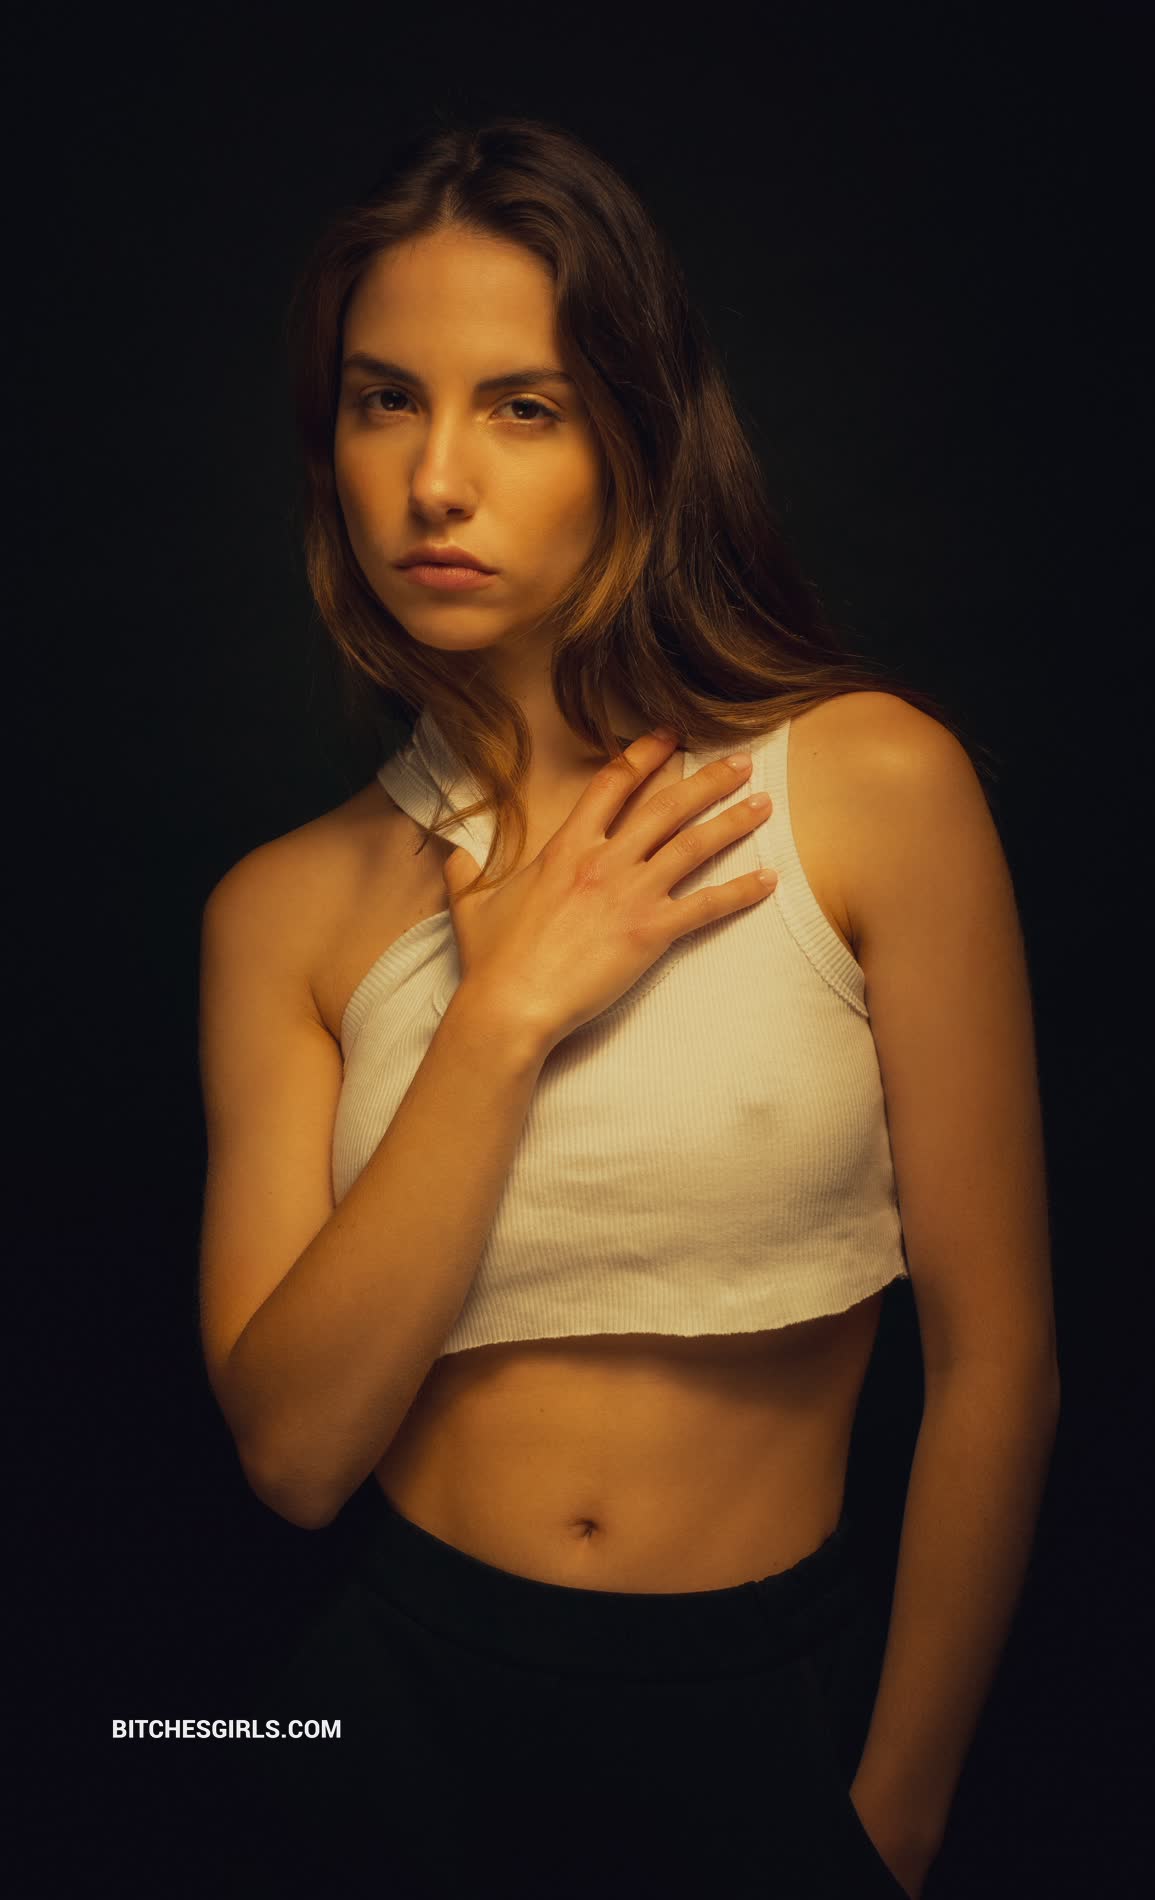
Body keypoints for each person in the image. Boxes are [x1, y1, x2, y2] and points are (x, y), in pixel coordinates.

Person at [194, 116, 1060, 1900]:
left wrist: (892, 1822)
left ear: (636, 437)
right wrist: (502, 1014)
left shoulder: (870, 789)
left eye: (524, 405)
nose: (436, 480)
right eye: (383, 401)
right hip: (378, 1735)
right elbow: (292, 1455)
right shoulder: (282, 911)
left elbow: (1001, 1368)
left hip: (765, 1715)